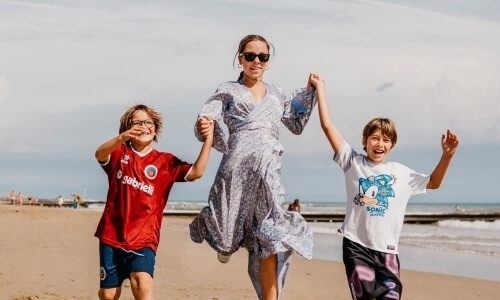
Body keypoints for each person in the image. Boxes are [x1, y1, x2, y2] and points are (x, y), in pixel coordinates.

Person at [311, 73, 459, 300]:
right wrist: (320, 87)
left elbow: (434, 182)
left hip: (388, 252)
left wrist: (447, 156)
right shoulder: (353, 163)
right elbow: (327, 125)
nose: (380, 144)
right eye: (375, 138)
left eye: (386, 140)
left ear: (392, 145)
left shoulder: (400, 172)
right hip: (356, 247)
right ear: (364, 140)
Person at [189, 34, 315, 300]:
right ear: (240, 59)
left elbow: (295, 124)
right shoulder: (228, 89)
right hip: (236, 170)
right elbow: (207, 116)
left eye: (263, 57)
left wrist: (311, 91)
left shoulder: (278, 93)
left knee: (270, 238)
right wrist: (206, 125)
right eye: (250, 56)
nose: (256, 61)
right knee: (225, 237)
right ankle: (212, 225)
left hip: (269, 171)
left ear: (268, 61)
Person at [94, 104, 214, 300]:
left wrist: (208, 138)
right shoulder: (119, 153)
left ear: (155, 128)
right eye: (137, 123)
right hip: (112, 236)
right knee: (108, 295)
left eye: (148, 122)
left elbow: (196, 171)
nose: (143, 126)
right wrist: (122, 138)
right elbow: (99, 154)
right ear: (128, 128)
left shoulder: (165, 162)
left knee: (142, 283)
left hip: (144, 238)